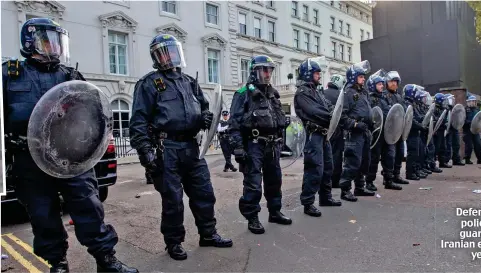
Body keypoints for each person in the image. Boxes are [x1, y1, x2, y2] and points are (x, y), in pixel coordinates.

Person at [2, 18, 138, 273]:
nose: (54, 47)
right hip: (30, 162)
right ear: (30, 42)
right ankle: (57, 262)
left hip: (72, 159)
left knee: (89, 208)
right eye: (47, 40)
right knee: (43, 216)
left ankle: (105, 259)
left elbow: (93, 116)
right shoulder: (10, 75)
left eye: (57, 41)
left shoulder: (71, 76)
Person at [129, 34, 232, 260]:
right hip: (167, 149)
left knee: (205, 193)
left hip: (192, 147)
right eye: (163, 53)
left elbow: (205, 108)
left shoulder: (189, 82)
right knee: (173, 200)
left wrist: (205, 118)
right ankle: (174, 242)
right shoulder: (149, 84)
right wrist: (145, 152)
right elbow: (138, 121)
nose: (168, 57)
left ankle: (208, 233)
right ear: (156, 57)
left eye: (171, 51)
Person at [229, 55, 292, 233]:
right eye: (264, 70)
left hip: (272, 145)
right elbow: (234, 123)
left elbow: (278, 118)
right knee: (253, 183)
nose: (268, 73)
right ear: (255, 71)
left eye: (270, 70)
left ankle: (275, 211)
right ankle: (253, 217)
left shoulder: (272, 94)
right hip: (254, 144)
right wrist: (238, 147)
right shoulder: (243, 94)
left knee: (274, 181)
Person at [294, 58, 343, 217]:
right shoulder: (302, 93)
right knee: (314, 168)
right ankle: (308, 203)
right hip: (313, 135)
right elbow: (314, 111)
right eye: (316, 73)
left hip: (324, 134)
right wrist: (331, 115)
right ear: (308, 74)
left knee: (328, 167)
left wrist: (333, 112)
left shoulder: (317, 91)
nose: (319, 76)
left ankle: (325, 197)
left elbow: (328, 106)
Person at [339, 60, 376, 202]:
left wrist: (370, 122)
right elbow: (342, 115)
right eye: (360, 76)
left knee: (364, 161)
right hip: (354, 133)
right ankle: (345, 189)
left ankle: (359, 187)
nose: (363, 78)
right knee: (352, 162)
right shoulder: (348, 92)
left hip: (365, 131)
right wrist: (354, 124)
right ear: (353, 77)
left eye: (363, 76)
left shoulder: (363, 92)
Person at [365, 69, 401, 190]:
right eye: (379, 84)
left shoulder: (386, 98)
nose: (382, 86)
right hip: (377, 133)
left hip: (387, 133)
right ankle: (369, 182)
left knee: (389, 157)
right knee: (374, 159)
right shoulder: (370, 99)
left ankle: (389, 180)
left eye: (382, 84)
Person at [384, 71, 410, 185]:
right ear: (387, 82)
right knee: (390, 155)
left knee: (400, 153)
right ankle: (388, 177)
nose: (394, 84)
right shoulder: (385, 95)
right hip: (390, 131)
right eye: (391, 81)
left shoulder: (399, 96)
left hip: (399, 130)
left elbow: (404, 111)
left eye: (395, 81)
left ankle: (396, 175)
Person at [323, 74, 346, 189]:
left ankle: (325, 180)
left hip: (323, 130)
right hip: (337, 130)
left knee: (325, 155)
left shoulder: (322, 93)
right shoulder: (340, 95)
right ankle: (335, 180)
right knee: (336, 156)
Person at [403, 84, 427, 181]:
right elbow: (411, 120)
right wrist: (420, 126)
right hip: (411, 133)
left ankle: (416, 170)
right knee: (412, 153)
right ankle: (410, 173)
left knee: (417, 152)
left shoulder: (413, 104)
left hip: (416, 132)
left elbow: (418, 117)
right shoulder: (407, 104)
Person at [416, 91, 442, 173]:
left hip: (427, 131)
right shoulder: (417, 106)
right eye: (424, 98)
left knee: (430, 149)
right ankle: (422, 167)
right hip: (421, 132)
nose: (425, 99)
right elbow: (419, 118)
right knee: (420, 151)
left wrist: (434, 121)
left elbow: (431, 117)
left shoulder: (424, 107)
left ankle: (427, 165)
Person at [463, 95, 481, 164]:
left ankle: (479, 159)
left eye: (474, 101)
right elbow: (462, 120)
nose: (473, 103)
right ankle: (467, 159)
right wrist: (469, 122)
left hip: (476, 130)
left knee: (478, 145)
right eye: (471, 101)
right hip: (467, 130)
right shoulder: (465, 110)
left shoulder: (477, 110)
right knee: (469, 146)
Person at [443, 94, 465, 166]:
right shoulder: (444, 108)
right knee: (448, 145)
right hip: (448, 129)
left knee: (457, 144)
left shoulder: (454, 108)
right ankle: (446, 160)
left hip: (455, 128)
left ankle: (456, 160)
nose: (452, 100)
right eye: (451, 99)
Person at [433, 93, 451, 168]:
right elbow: (435, 119)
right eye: (443, 101)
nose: (444, 103)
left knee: (443, 147)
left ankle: (442, 162)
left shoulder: (443, 109)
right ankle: (432, 163)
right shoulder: (434, 108)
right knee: (435, 148)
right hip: (437, 131)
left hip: (442, 130)